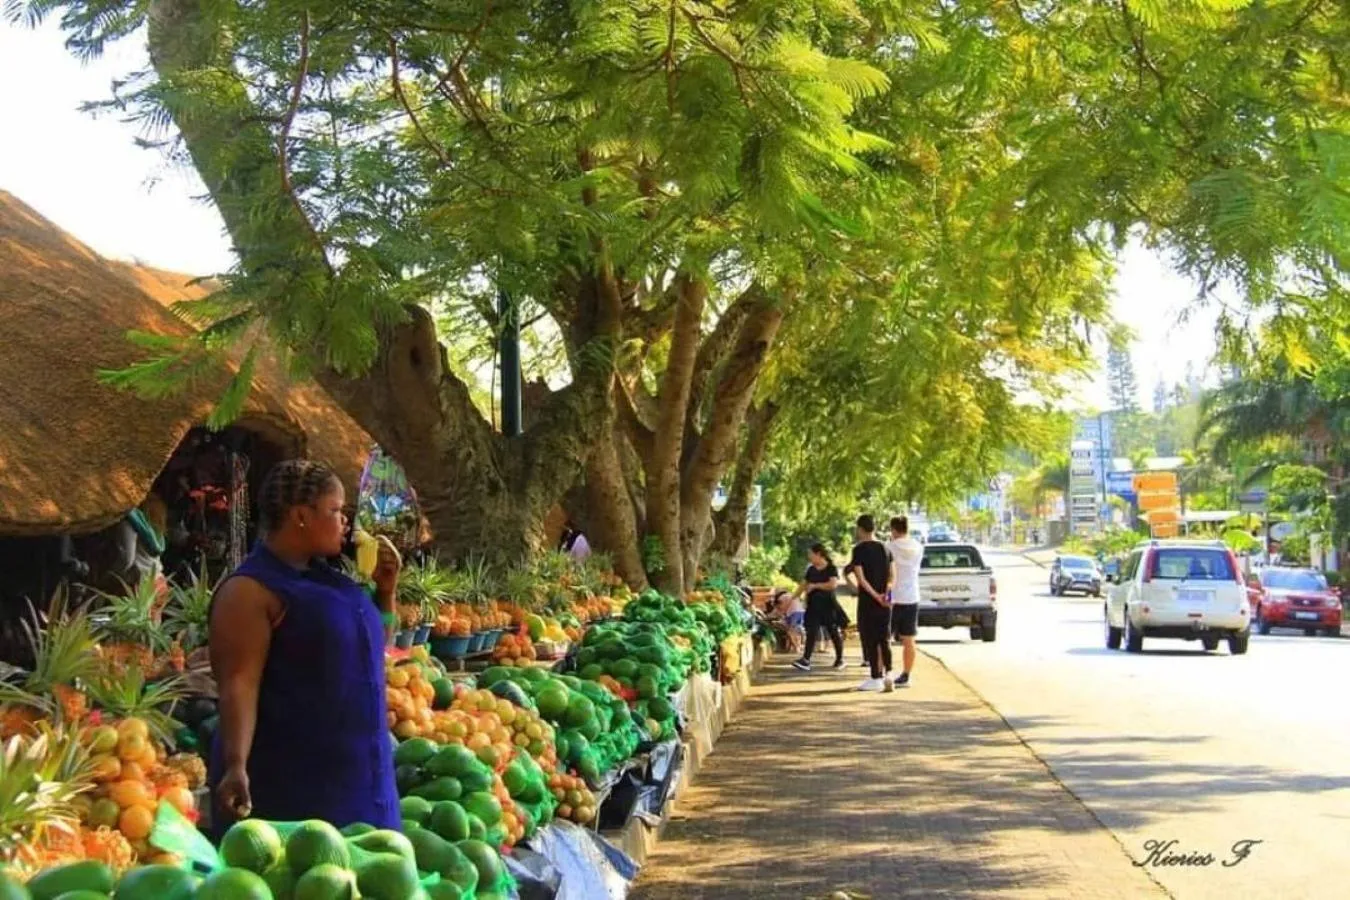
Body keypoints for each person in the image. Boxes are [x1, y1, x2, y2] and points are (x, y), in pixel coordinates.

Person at [208, 460, 402, 835]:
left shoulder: (333, 582)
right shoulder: (249, 591)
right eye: (335, 510)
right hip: (298, 788)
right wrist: (236, 764)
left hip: (363, 782)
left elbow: (374, 653)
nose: (345, 522)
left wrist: (386, 593)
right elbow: (239, 685)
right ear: (300, 515)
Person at [846, 515, 893, 692]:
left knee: (870, 638)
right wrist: (886, 595)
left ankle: (875, 676)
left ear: (860, 529)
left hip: (868, 601)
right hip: (886, 601)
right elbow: (892, 575)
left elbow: (861, 578)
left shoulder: (859, 550)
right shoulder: (885, 548)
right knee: (884, 637)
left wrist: (874, 596)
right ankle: (889, 673)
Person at [790, 544, 844, 672]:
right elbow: (804, 585)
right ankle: (806, 659)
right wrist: (793, 598)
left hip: (828, 605)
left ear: (819, 554)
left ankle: (840, 659)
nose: (809, 557)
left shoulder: (831, 568)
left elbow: (832, 585)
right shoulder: (811, 570)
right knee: (811, 631)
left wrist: (815, 586)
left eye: (811, 554)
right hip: (813, 606)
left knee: (833, 631)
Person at [885, 516, 923, 687]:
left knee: (885, 638)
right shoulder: (917, 546)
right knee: (909, 639)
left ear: (893, 529)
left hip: (892, 597)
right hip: (912, 596)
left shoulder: (889, 547)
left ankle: (885, 672)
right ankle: (906, 674)